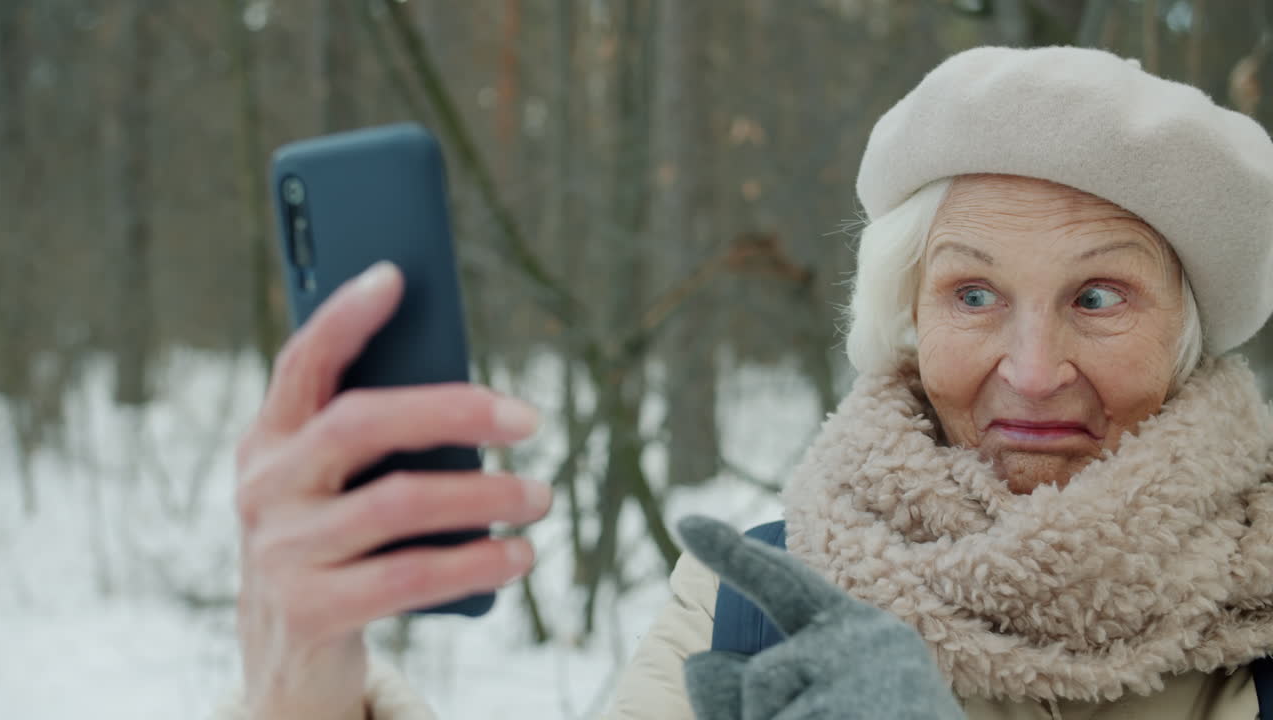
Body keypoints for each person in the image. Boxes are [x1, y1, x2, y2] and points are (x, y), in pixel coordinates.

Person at [217, 45, 1273, 720]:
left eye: (1097, 298)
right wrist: (300, 695)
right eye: (970, 295)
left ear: (1187, 336)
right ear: (902, 318)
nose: (1033, 371)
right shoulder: (754, 605)